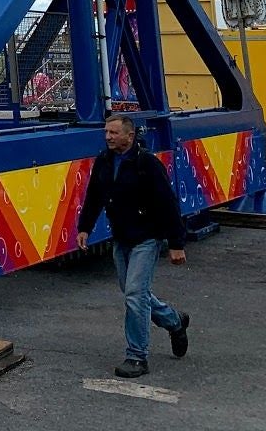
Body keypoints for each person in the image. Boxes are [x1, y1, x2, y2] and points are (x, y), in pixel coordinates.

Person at [76, 113, 191, 378]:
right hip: (121, 237)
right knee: (133, 293)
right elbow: (94, 195)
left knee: (135, 295)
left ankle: (137, 357)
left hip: (146, 237)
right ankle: (175, 320)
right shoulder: (104, 161)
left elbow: (168, 203)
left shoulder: (147, 164)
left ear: (130, 136)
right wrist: (85, 228)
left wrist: (176, 243)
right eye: (106, 132)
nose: (108, 137)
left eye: (114, 133)